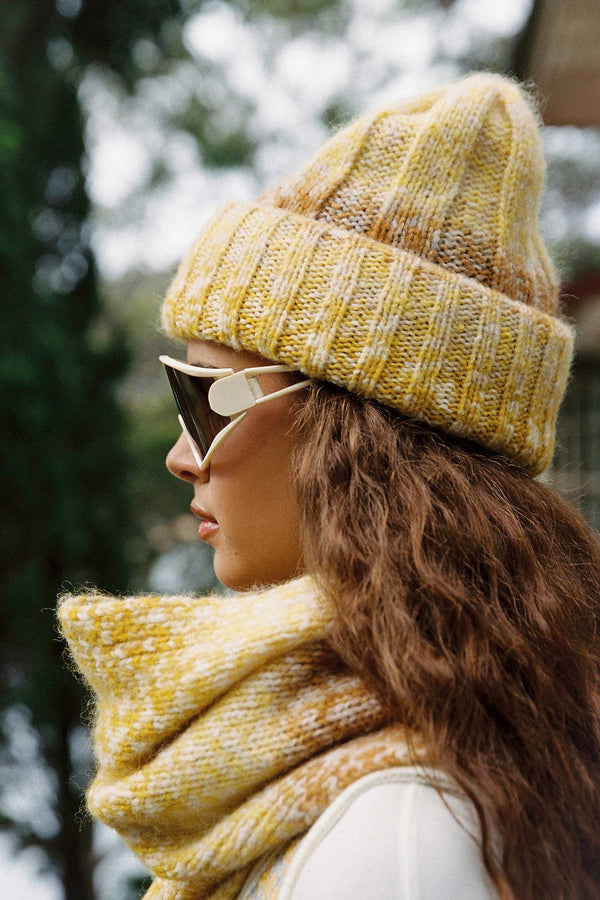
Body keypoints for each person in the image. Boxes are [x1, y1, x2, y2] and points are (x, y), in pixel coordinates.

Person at [58, 72, 600, 900]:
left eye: (202, 397)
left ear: (354, 436)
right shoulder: (438, 778)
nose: (179, 455)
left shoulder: (397, 840)